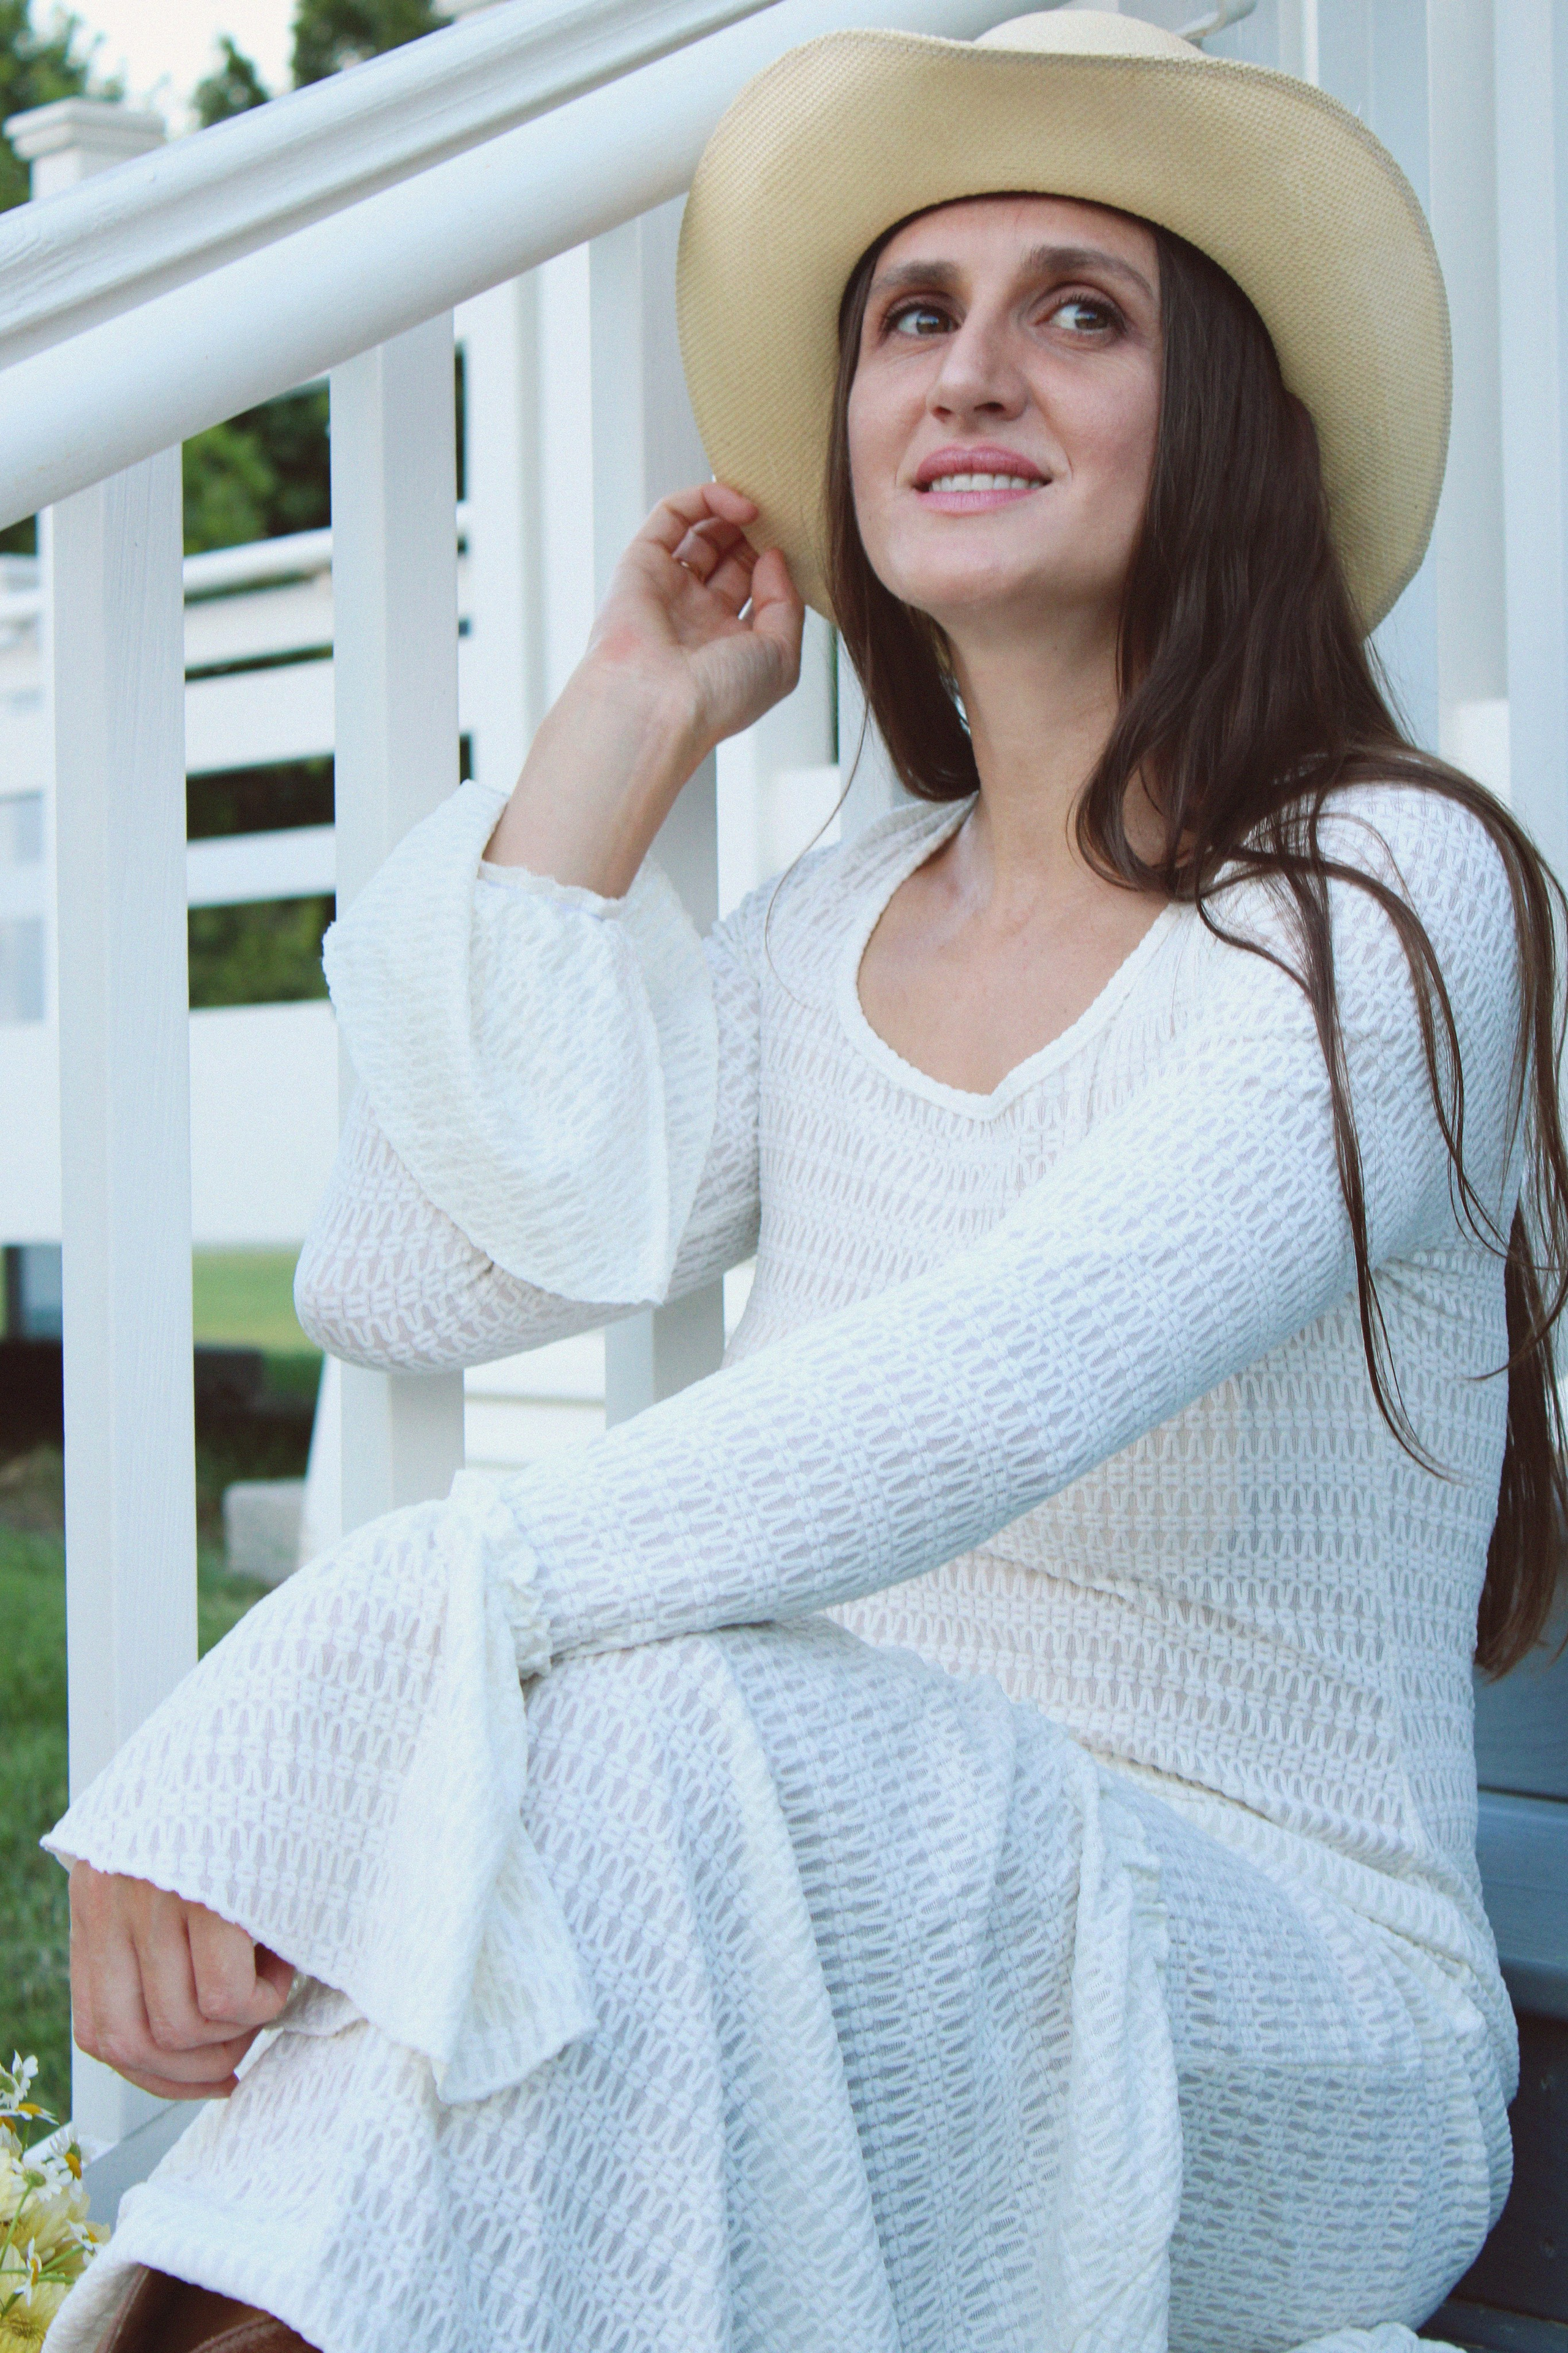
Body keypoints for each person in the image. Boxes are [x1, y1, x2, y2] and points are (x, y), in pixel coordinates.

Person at [44, 13, 1568, 2352]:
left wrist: (349, 1655)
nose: (970, 373)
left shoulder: (1388, 891)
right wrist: (623, 724)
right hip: (821, 1898)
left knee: (633, 1736)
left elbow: (1011, 1372)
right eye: (908, 318)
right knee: (605, 1834)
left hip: (1291, 2020)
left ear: (1232, 418)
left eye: (1082, 308)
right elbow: (408, 1270)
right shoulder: (840, 930)